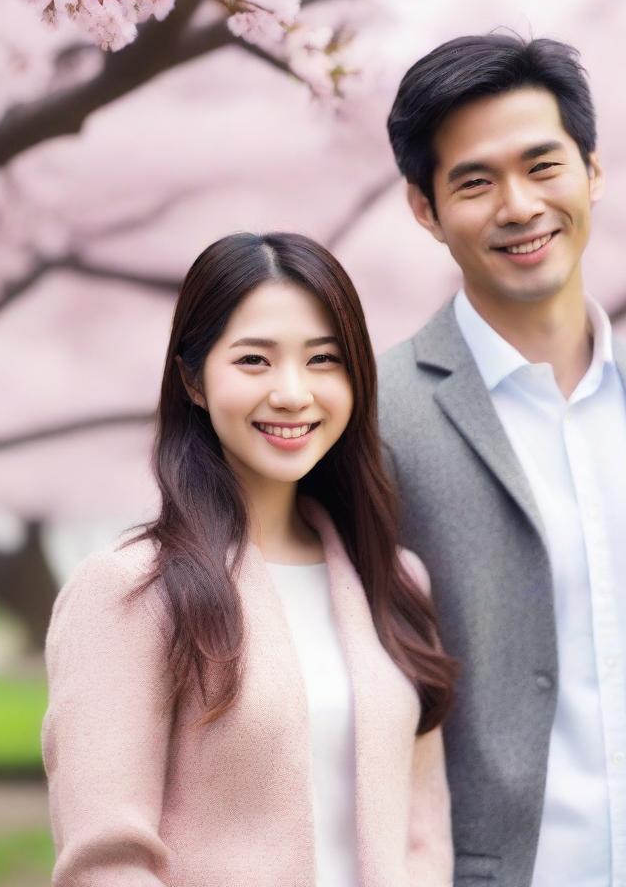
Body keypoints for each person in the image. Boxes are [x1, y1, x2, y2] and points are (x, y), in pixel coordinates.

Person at [378, 34, 626, 887]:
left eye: (543, 166)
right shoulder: (375, 419)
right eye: (474, 181)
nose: (518, 205)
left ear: (593, 172)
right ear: (424, 208)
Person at [42, 231, 457, 887]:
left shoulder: (396, 581)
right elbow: (108, 862)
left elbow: (423, 832)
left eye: (324, 360)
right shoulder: (129, 591)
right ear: (194, 380)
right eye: (255, 361)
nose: (293, 393)